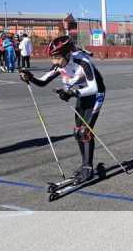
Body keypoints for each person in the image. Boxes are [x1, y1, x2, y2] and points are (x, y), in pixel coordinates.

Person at [19, 35, 105, 184]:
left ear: (67, 54)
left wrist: (71, 93)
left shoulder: (82, 62)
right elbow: (43, 81)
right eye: (52, 58)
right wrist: (29, 77)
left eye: (57, 58)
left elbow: (94, 87)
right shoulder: (59, 64)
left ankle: (88, 168)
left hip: (95, 94)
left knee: (85, 131)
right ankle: (85, 164)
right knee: (77, 131)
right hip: (82, 93)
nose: (55, 62)